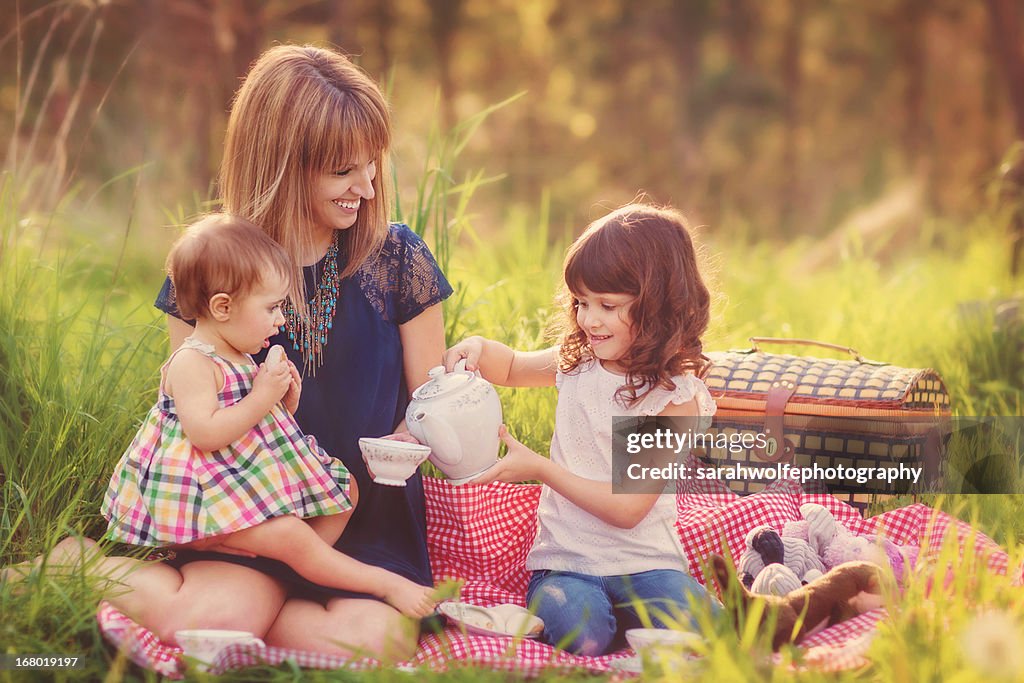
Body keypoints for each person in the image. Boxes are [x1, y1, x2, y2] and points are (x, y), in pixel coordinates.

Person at [11, 45, 452, 661]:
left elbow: (434, 403)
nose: (368, 186)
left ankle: (252, 622)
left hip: (360, 519)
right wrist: (245, 535)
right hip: (250, 517)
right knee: (212, 616)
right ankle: (71, 564)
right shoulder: (213, 268)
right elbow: (191, 420)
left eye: (372, 165)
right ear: (283, 162)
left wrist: (408, 438)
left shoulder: (397, 258)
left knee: (372, 644)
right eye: (344, 171)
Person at [101, 214, 435, 619]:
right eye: (273, 308)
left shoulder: (236, 353)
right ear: (222, 307)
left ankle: (299, 569)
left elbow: (251, 425)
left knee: (345, 495)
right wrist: (261, 397)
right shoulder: (192, 361)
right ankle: (380, 582)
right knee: (293, 536)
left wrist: (282, 404)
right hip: (208, 496)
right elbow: (205, 433)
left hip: (239, 480)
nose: (280, 320)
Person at [443, 203, 721, 656]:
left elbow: (628, 508)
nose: (590, 319)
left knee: (709, 627)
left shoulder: (674, 397)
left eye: (608, 306)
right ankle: (615, 627)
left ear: (658, 307)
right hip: (566, 564)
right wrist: (477, 347)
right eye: (581, 303)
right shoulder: (579, 362)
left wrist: (539, 468)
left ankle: (638, 623)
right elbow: (511, 366)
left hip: (648, 564)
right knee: (583, 632)